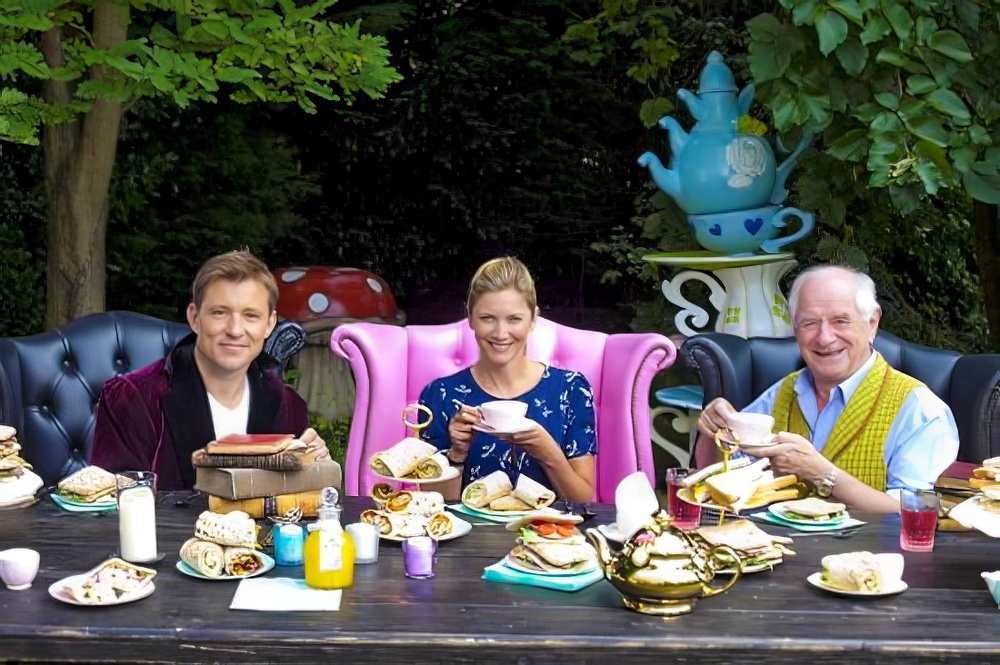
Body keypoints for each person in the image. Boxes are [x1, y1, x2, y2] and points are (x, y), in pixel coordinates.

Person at [696, 264, 959, 513]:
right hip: (772, 544)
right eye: (809, 323)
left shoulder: (919, 409)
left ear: (871, 323)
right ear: (795, 327)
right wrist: (715, 431)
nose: (824, 338)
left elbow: (916, 512)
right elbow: (718, 482)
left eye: (841, 321)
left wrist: (822, 474)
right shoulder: (781, 394)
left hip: (872, 548)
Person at [91, 250, 326, 490]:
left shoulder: (287, 405)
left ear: (269, 324)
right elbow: (112, 502)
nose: (235, 330)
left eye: (251, 316)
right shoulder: (132, 398)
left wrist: (316, 469)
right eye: (219, 313)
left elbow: (295, 501)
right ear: (194, 318)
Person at [418, 257, 596, 502]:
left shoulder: (571, 389)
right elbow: (435, 508)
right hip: (470, 528)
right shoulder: (440, 395)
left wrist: (549, 454)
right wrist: (456, 454)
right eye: (487, 318)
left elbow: (583, 501)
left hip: (548, 527)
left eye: (514, 319)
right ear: (470, 317)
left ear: (533, 319)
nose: (501, 333)